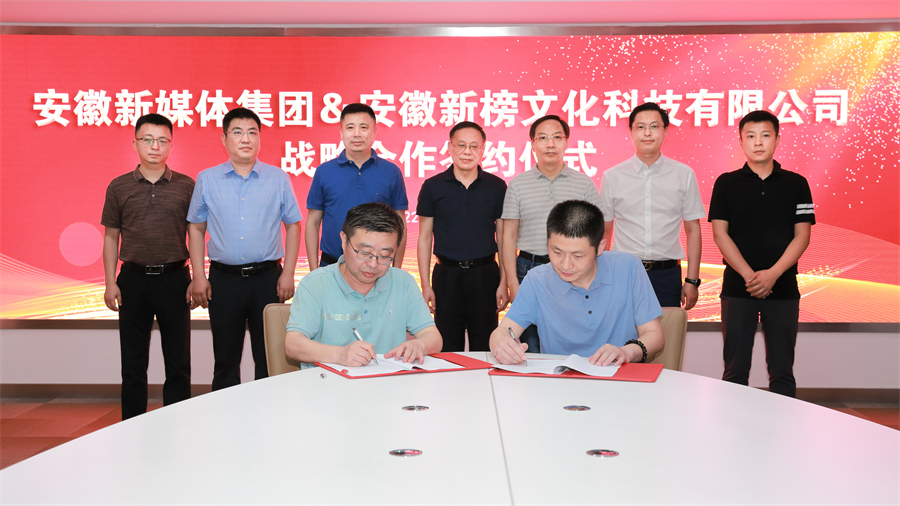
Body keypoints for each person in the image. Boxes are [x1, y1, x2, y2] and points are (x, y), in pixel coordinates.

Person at [187, 107, 302, 390]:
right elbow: (196, 228)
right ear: (224, 138)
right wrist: (199, 276)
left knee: (270, 358)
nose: (246, 139)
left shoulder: (278, 177)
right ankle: (227, 415)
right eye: (237, 132)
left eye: (252, 132)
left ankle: (269, 414)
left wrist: (288, 273)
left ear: (260, 138)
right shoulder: (207, 179)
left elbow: (293, 226)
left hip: (267, 279)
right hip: (223, 281)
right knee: (225, 361)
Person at [709, 110, 814, 398]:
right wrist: (749, 276)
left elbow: (802, 236)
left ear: (777, 139)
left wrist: (773, 275)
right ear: (741, 141)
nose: (758, 142)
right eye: (751, 136)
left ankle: (783, 424)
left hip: (783, 288)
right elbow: (720, 234)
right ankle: (732, 424)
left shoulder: (796, 183)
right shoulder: (726, 183)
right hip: (737, 288)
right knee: (734, 371)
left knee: (782, 371)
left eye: (765, 135)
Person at [490, 200, 664, 366]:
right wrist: (502, 346)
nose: (565, 265)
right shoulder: (537, 280)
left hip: (619, 377)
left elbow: (654, 334)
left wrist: (626, 353)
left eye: (577, 256)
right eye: (557, 252)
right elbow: (503, 331)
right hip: (560, 380)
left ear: (600, 247)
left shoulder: (629, 268)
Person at [101, 113, 193, 420]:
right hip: (133, 280)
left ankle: (176, 423)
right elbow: (111, 237)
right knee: (133, 363)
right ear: (135, 143)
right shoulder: (118, 186)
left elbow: (196, 234)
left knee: (178, 363)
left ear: (171, 145)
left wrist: (198, 277)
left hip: (175, 279)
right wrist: (110, 282)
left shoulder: (186, 186)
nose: (155, 146)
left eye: (162, 140)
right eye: (148, 140)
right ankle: (132, 425)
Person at [284, 202, 442, 367]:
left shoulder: (403, 282)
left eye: (384, 255)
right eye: (365, 253)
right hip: (328, 380)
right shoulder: (315, 283)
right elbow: (292, 344)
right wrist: (339, 354)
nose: (373, 264)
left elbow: (433, 337)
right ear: (344, 240)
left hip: (388, 379)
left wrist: (419, 345)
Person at [500, 115, 603, 353]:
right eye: (543, 138)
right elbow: (508, 237)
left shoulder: (584, 183)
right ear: (533, 144)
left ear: (566, 142)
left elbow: (597, 231)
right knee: (530, 343)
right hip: (528, 268)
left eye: (557, 137)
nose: (550, 144)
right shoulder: (518, 184)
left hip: (573, 269)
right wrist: (513, 282)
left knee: (571, 339)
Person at [599, 102, 705, 309]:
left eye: (654, 126)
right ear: (630, 132)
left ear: (665, 131)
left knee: (667, 329)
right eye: (640, 127)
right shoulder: (612, 176)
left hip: (667, 275)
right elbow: (605, 230)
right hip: (624, 272)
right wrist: (602, 275)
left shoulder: (683, 174)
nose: (647, 133)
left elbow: (693, 230)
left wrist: (692, 280)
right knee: (623, 329)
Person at [416, 121, 508, 352]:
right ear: (450, 147)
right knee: (447, 345)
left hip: (485, 275)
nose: (467, 152)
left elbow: (504, 238)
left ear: (483, 149)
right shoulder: (432, 186)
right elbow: (424, 238)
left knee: (485, 345)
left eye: (474, 146)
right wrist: (425, 285)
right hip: (446, 276)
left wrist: (503, 282)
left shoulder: (497, 187)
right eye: (461, 145)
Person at [305, 103, 409, 270]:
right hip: (332, 264)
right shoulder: (324, 171)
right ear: (341, 132)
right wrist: (313, 271)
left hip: (377, 266)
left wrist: (397, 269)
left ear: (374, 131)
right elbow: (313, 222)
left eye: (363, 127)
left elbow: (400, 223)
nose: (357, 134)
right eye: (350, 127)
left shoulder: (391, 172)